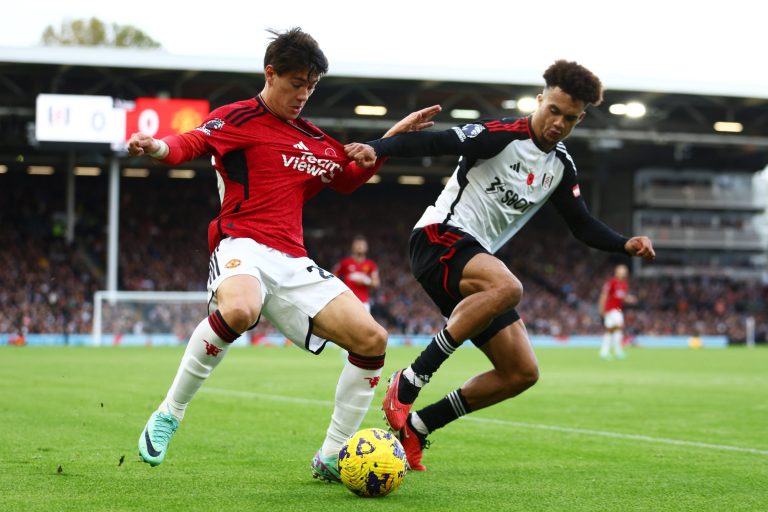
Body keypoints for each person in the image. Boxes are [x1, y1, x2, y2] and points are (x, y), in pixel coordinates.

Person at [127, 27, 439, 480]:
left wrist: (392, 138)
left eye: (311, 87)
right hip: (242, 245)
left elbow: (350, 177)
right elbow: (188, 143)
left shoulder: (312, 138)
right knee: (239, 309)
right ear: (270, 73)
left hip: (293, 260)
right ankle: (170, 412)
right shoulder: (236, 118)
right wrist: (156, 146)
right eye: (296, 84)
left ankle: (331, 456)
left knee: (373, 341)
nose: (304, 95)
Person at [345, 60, 656, 470]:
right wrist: (377, 147)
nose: (559, 123)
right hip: (439, 237)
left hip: (472, 263)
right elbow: (436, 143)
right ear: (540, 100)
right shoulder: (500, 135)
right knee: (510, 287)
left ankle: (419, 426)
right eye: (555, 111)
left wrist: (624, 244)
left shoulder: (560, 167)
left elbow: (581, 224)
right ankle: (411, 379)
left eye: (571, 118)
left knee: (521, 372)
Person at [598, 263, 636, 359]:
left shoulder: (624, 284)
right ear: (617, 272)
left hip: (618, 309)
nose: (623, 273)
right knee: (617, 328)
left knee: (611, 331)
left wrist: (629, 299)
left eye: (624, 271)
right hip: (611, 309)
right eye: (621, 271)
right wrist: (601, 309)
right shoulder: (611, 282)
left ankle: (606, 352)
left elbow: (621, 297)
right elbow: (604, 295)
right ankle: (615, 351)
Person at [332, 236, 380, 313]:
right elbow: (332, 276)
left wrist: (366, 281)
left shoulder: (371, 265)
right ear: (353, 247)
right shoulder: (344, 263)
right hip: (347, 301)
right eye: (357, 245)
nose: (360, 247)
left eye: (362, 245)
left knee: (364, 324)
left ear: (366, 248)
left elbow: (376, 283)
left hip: (364, 303)